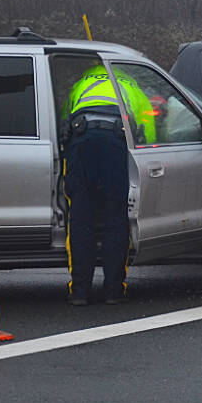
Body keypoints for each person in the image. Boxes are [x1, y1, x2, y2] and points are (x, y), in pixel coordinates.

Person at [61, 64, 155, 305]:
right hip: (116, 141)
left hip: (82, 140)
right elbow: (149, 129)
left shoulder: (81, 85)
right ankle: (114, 290)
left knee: (80, 216)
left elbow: (65, 122)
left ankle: (79, 291)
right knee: (117, 216)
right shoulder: (131, 86)